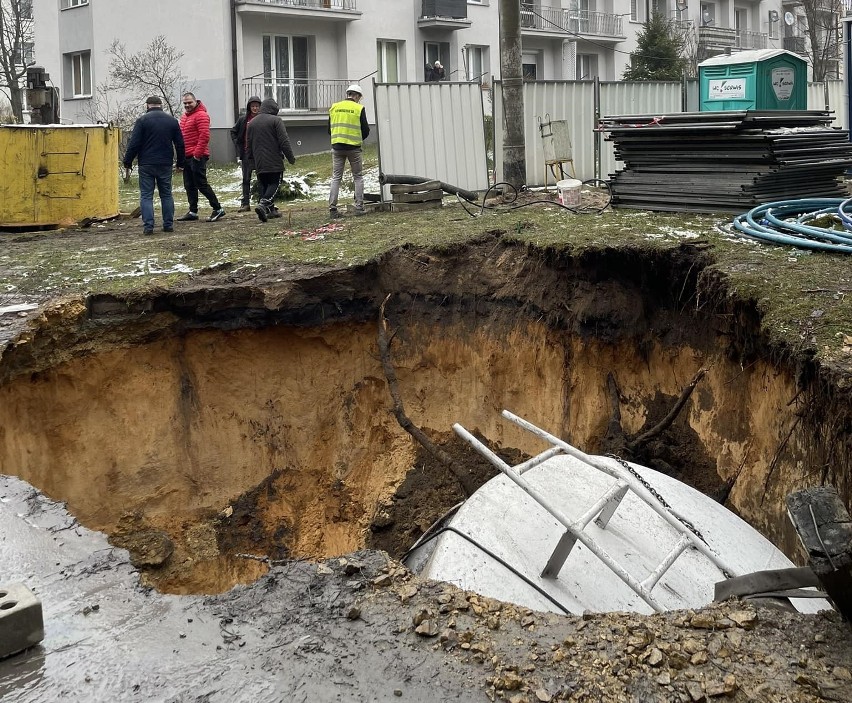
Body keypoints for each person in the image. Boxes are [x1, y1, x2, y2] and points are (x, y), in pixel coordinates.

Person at [122, 96, 185, 235]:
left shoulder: (142, 121)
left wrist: (128, 161)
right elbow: (180, 144)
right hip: (165, 163)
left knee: (146, 195)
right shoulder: (172, 121)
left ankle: (148, 226)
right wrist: (181, 163)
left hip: (146, 164)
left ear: (147, 106)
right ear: (161, 105)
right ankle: (168, 224)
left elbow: (134, 143)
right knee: (166, 194)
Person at [178, 92, 225, 222]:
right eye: (185, 103)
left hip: (197, 156)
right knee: (189, 185)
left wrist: (197, 155)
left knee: (201, 184)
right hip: (187, 156)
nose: (187, 105)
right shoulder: (184, 117)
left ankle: (218, 209)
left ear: (195, 102)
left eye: (189, 103)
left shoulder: (201, 115)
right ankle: (193, 211)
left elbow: (204, 136)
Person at [246, 97, 296, 222]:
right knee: (275, 183)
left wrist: (251, 162)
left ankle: (271, 210)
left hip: (259, 162)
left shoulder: (251, 123)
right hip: (274, 160)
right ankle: (263, 205)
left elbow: (249, 144)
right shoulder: (276, 120)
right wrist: (290, 157)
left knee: (264, 184)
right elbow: (284, 141)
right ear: (273, 110)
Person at [328, 84, 370, 218]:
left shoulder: (334, 107)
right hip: (354, 148)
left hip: (337, 147)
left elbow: (329, 129)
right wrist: (357, 138)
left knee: (336, 177)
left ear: (348, 94)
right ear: (356, 96)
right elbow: (366, 130)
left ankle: (333, 209)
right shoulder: (359, 108)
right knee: (358, 176)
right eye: (359, 97)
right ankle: (359, 207)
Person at [230, 96, 262, 212]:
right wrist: (237, 143)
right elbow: (233, 132)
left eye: (257, 106)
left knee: (261, 179)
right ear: (249, 107)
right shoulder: (243, 120)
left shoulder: (262, 119)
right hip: (246, 154)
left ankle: (262, 203)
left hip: (259, 154)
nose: (255, 108)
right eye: (253, 106)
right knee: (246, 179)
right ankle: (245, 203)